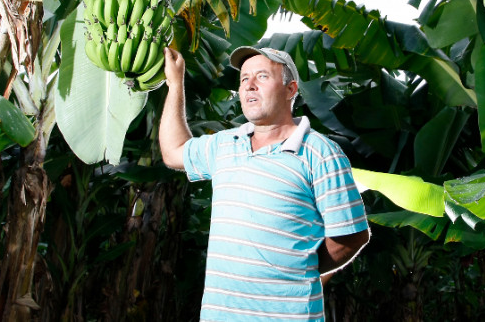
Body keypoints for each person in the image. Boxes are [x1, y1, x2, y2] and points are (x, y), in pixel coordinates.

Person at [159, 45, 370, 321]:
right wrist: (175, 84)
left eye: (262, 77)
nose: (249, 86)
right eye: (244, 79)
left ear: (290, 90)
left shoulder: (319, 152)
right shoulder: (224, 144)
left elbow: (352, 235)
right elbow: (173, 150)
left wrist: (301, 267)